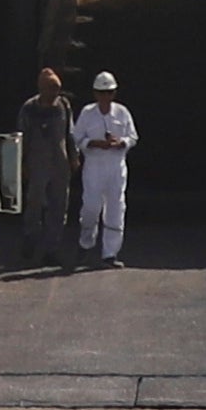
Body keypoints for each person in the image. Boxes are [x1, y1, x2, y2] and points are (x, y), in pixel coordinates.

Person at [69, 72, 138, 266]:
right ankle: (86, 243)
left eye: (109, 92)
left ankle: (110, 253)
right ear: (95, 93)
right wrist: (94, 143)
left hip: (116, 166)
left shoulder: (122, 112)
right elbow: (77, 137)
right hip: (94, 166)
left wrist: (121, 142)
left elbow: (133, 137)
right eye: (101, 92)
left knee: (115, 209)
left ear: (114, 93)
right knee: (91, 207)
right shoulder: (87, 113)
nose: (105, 96)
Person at [14, 68, 80, 269]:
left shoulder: (63, 106)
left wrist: (74, 156)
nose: (54, 93)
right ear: (41, 88)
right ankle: (31, 238)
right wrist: (21, 163)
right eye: (51, 88)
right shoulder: (29, 108)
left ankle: (51, 248)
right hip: (37, 162)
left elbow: (70, 132)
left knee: (59, 206)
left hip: (59, 163)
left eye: (57, 89)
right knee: (35, 203)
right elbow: (21, 137)